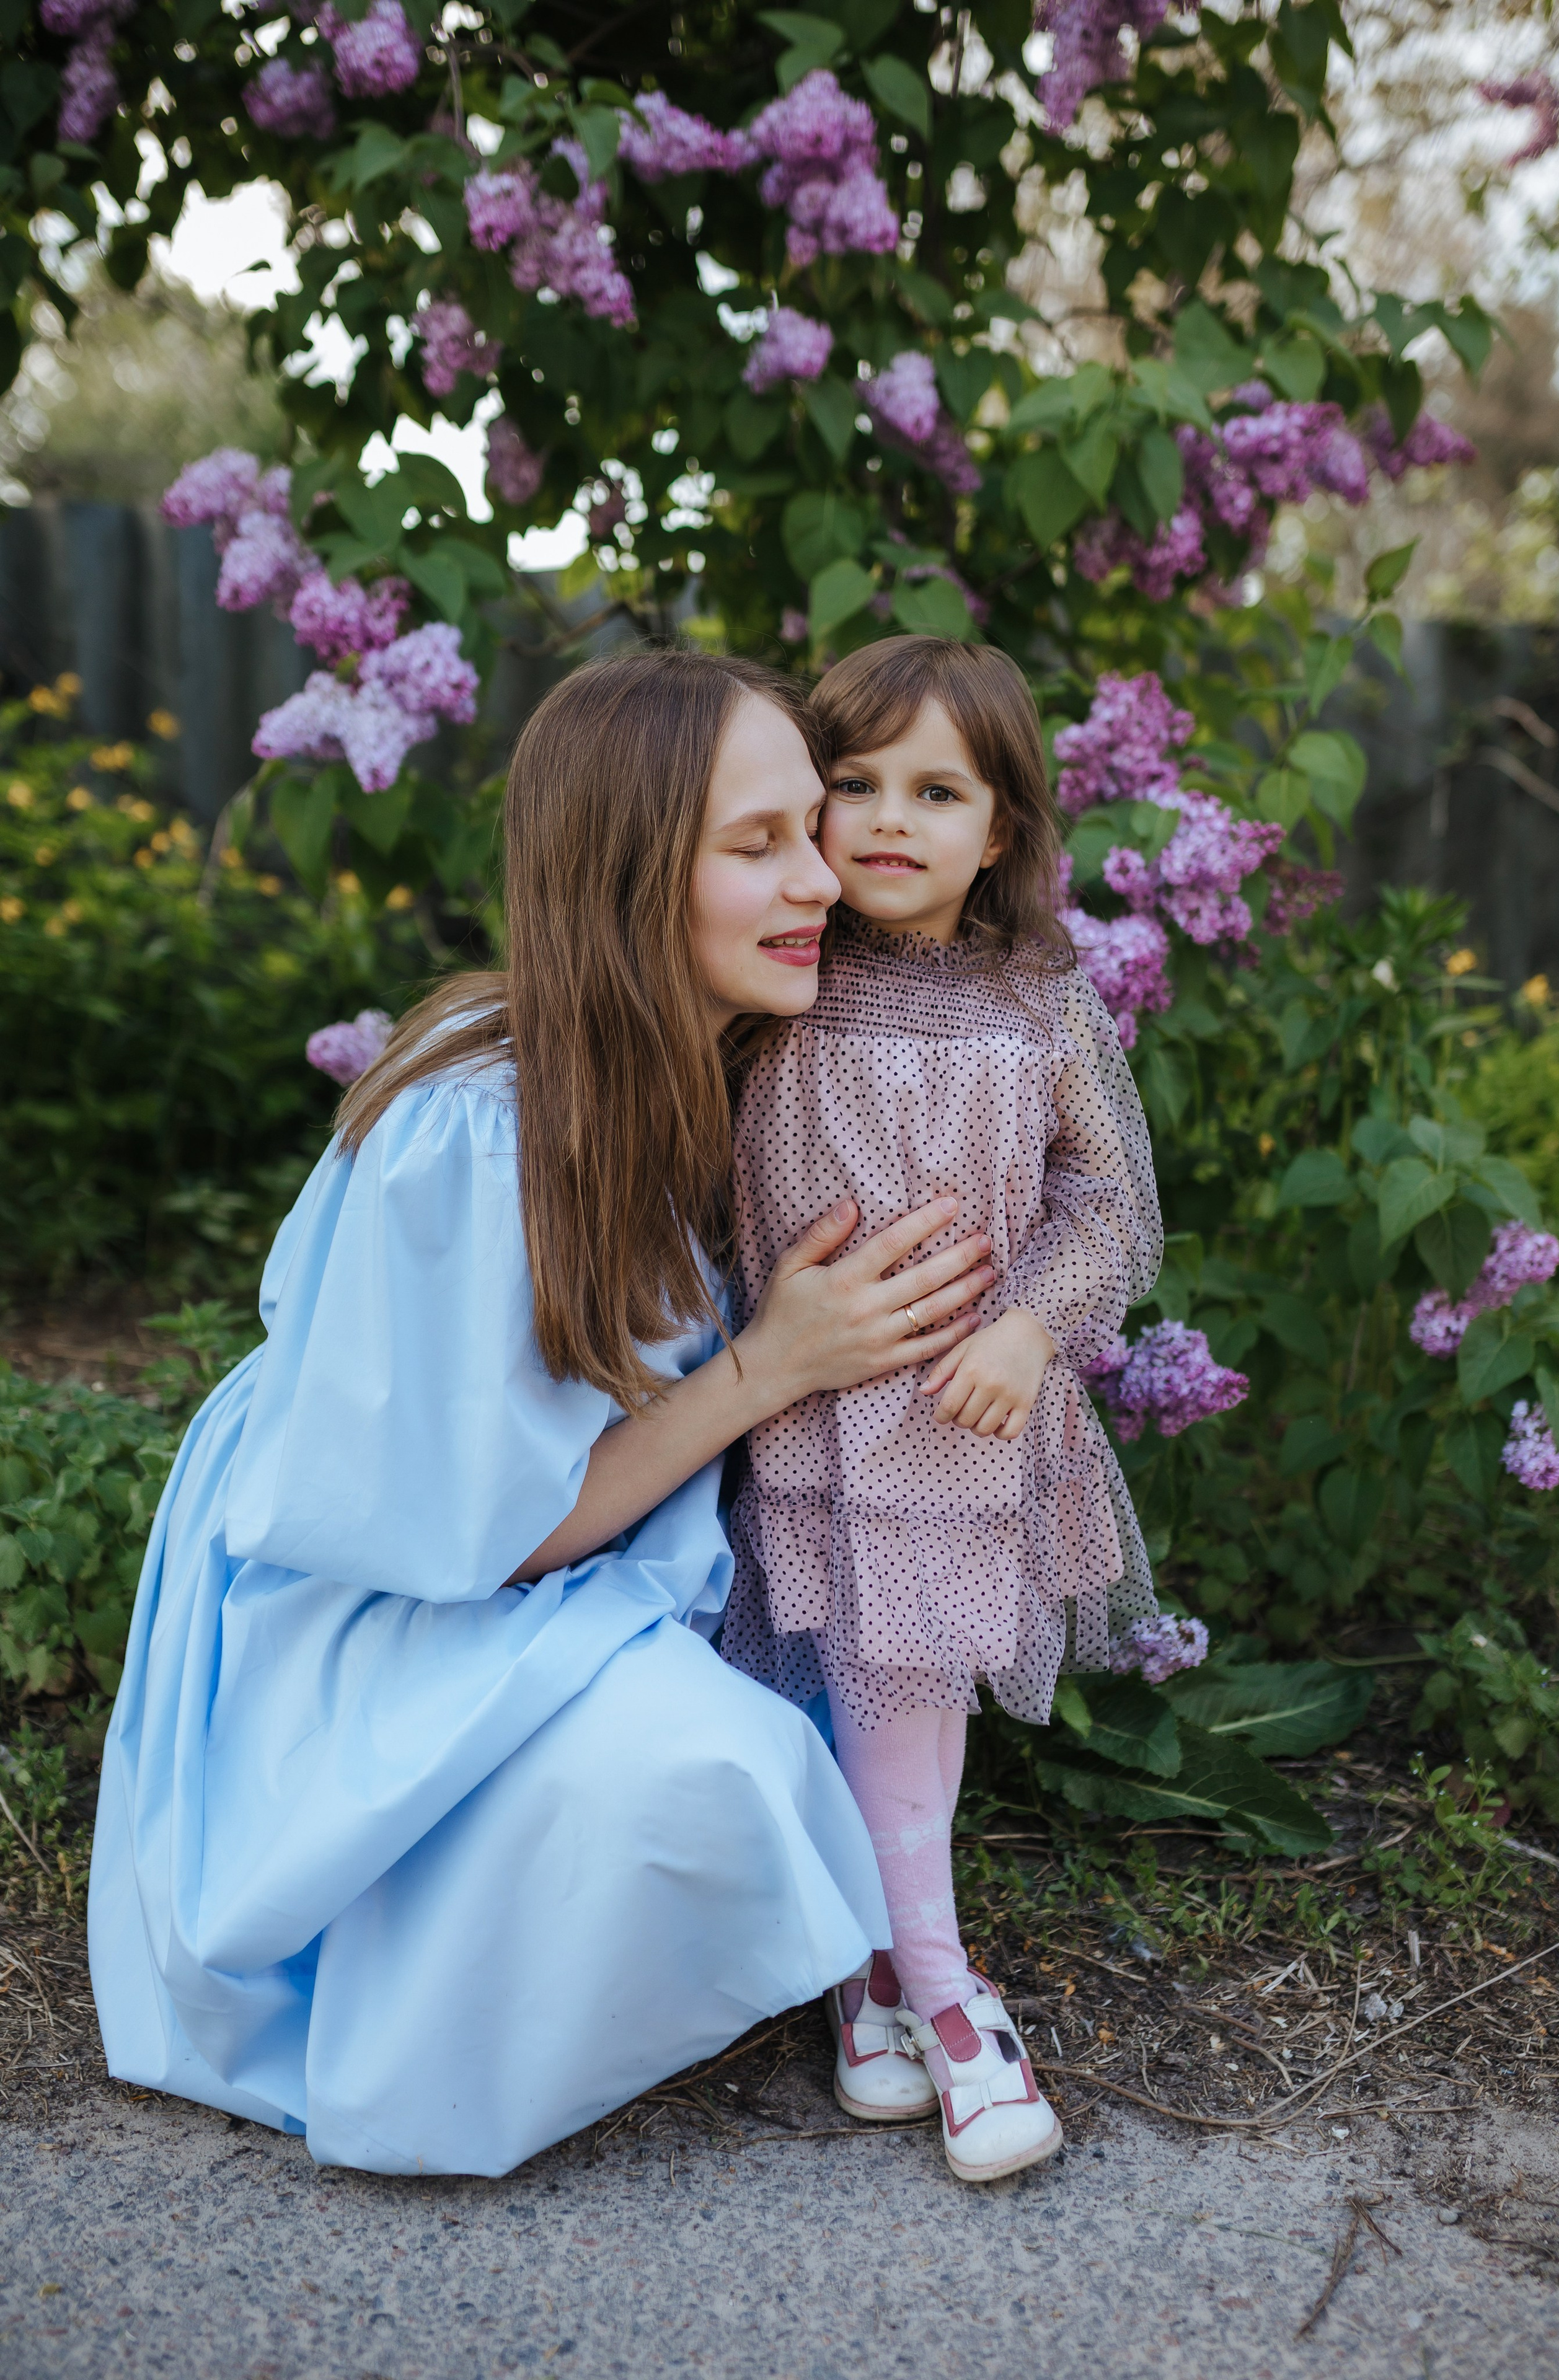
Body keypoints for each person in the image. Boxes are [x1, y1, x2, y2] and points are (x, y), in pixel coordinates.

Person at [87, 650, 998, 2178]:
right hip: (378, 1589)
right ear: (632, 875)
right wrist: (771, 1366)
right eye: (755, 843)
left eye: (811, 827)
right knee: (714, 1780)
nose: (823, 880)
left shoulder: (732, 1057)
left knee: (785, 1737)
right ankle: (406, 1986)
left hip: (561, 1547)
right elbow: (480, 1533)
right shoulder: (475, 1123)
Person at [722, 637, 1164, 2182]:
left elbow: (1105, 1210)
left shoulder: (1042, 1009)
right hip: (792, 1408)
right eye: (854, 784)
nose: (890, 819)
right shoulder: (777, 978)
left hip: (955, 1416)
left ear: (1001, 831)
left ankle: (910, 1981)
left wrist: (1035, 1333)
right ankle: (902, 1984)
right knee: (826, 1684)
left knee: (907, 1696)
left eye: (937, 790)